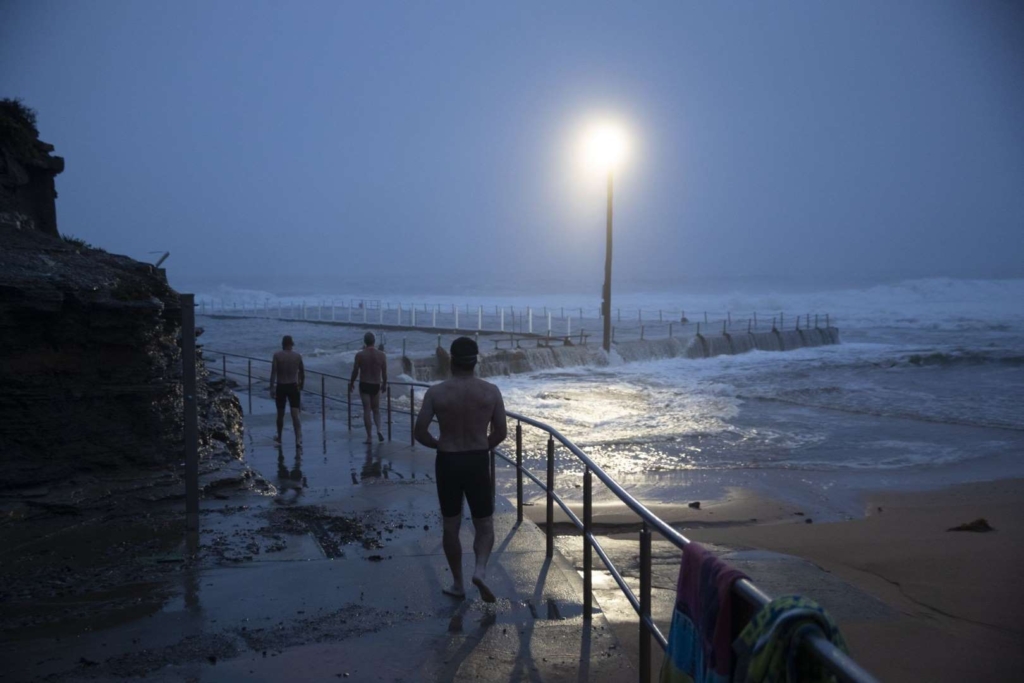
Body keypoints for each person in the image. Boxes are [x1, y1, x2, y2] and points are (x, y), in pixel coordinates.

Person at [414, 337, 507, 603]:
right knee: (485, 524)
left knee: (451, 524)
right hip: (477, 459)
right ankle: (479, 570)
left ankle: (457, 583)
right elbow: (501, 431)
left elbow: (419, 431)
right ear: (476, 361)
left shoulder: (436, 392)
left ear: (451, 361)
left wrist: (438, 444)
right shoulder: (491, 391)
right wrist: (482, 447)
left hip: (448, 460)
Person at [349, 332, 388, 445]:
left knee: (367, 410)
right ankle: (379, 430)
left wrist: (351, 382)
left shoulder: (360, 355)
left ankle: (369, 437)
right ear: (374, 341)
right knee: (376, 410)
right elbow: (384, 373)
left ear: (364, 341)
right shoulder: (382, 355)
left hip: (365, 384)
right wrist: (384, 384)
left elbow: (355, 371)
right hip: (376, 384)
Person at [269, 335, 304, 446]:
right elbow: (302, 372)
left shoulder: (277, 355)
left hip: (281, 386)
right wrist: (301, 384)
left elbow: (273, 372)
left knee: (280, 414)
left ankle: (279, 437)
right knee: (295, 415)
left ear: (283, 344)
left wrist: (271, 388)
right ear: (292, 344)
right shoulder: (297, 356)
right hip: (293, 386)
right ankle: (298, 439)